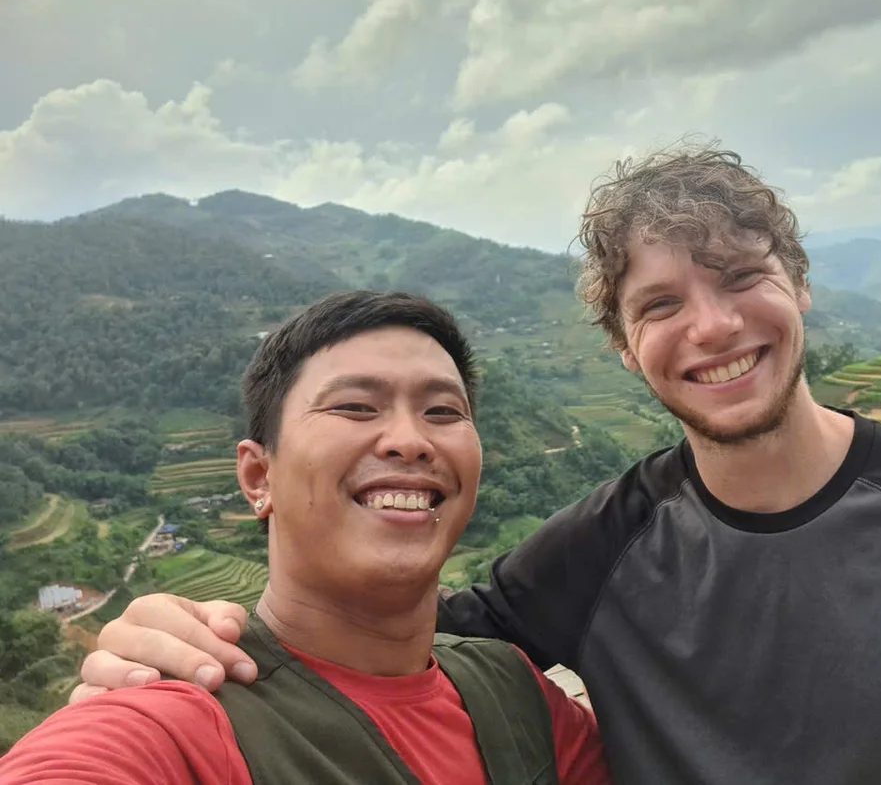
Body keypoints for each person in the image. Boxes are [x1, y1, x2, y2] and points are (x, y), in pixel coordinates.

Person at [72, 147, 881, 783]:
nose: (714, 327)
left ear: (802, 285)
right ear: (621, 346)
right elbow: (385, 628)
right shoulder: (601, 547)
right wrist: (177, 634)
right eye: (660, 305)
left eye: (742, 277)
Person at [0, 291, 609, 785]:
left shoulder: (512, 691)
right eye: (354, 407)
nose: (410, 439)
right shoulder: (184, 719)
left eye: (443, 412)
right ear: (258, 476)